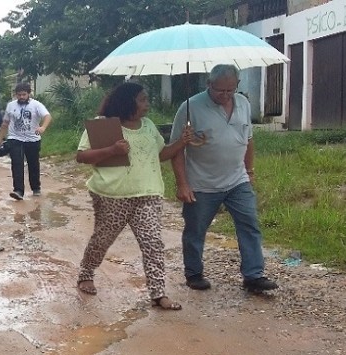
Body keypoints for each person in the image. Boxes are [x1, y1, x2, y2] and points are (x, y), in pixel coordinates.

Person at [75, 82, 194, 310]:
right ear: (127, 102)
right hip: (112, 196)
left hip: (147, 194)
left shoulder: (148, 126)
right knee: (102, 240)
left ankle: (158, 293)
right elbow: (82, 157)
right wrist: (112, 150)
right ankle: (86, 272)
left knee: (153, 243)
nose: (147, 104)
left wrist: (182, 142)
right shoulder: (104, 126)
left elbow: (161, 154)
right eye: (142, 99)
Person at [170, 64, 279, 294]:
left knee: (249, 224)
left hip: (237, 180)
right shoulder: (190, 108)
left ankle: (253, 275)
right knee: (196, 230)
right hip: (201, 183)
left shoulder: (243, 103)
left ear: (237, 86)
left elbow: (248, 140)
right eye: (220, 91)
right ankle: (194, 273)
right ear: (209, 84)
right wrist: (182, 183)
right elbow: (175, 149)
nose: (226, 95)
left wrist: (249, 171)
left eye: (230, 90)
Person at [0, 82, 51, 200]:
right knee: (16, 164)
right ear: (15, 95)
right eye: (19, 95)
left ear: (28, 94)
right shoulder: (11, 105)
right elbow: (5, 123)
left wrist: (43, 127)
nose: (21, 97)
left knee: (33, 164)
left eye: (24, 94)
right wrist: (0, 138)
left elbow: (47, 116)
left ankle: (36, 187)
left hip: (33, 139)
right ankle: (18, 191)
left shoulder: (36, 105)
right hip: (15, 138)